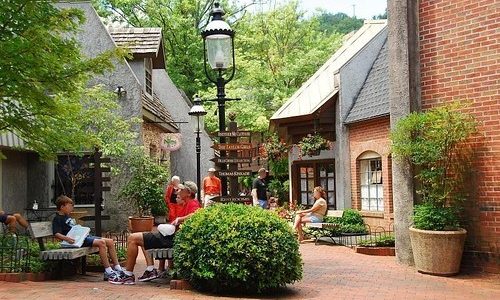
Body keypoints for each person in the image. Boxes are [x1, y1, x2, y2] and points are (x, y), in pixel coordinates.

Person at [109, 181, 201, 285]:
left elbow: (195, 215)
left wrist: (179, 219)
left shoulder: (193, 203)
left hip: (172, 239)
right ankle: (149, 269)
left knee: (132, 238)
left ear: (188, 193)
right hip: (171, 237)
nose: (177, 191)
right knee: (140, 238)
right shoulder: (186, 204)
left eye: (181, 189)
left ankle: (128, 275)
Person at [52, 195, 123, 281]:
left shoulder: (67, 217)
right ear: (62, 206)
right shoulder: (57, 219)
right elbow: (56, 234)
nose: (72, 208)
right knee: (101, 243)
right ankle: (108, 271)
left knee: (110, 241)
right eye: (70, 206)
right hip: (74, 241)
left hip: (82, 237)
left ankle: (118, 268)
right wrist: (67, 239)